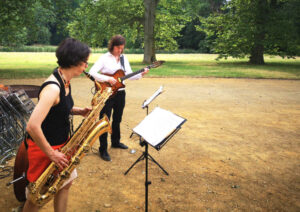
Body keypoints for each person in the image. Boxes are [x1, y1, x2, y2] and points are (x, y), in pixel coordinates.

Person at [22, 38, 91, 212]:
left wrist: (79, 110)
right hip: (45, 149)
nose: (86, 67)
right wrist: (51, 154)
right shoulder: (53, 88)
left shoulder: (65, 80)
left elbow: (59, 108)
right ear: (75, 61)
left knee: (64, 184)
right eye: (85, 63)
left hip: (61, 145)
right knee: (36, 197)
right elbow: (32, 126)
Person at [89, 35, 148, 161]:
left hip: (121, 92)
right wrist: (108, 79)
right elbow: (92, 72)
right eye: (118, 48)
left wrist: (140, 74)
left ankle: (115, 142)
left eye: (122, 48)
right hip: (107, 93)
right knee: (105, 120)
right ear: (112, 46)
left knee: (117, 119)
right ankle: (103, 149)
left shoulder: (123, 58)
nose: (120, 51)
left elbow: (128, 75)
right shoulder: (104, 58)